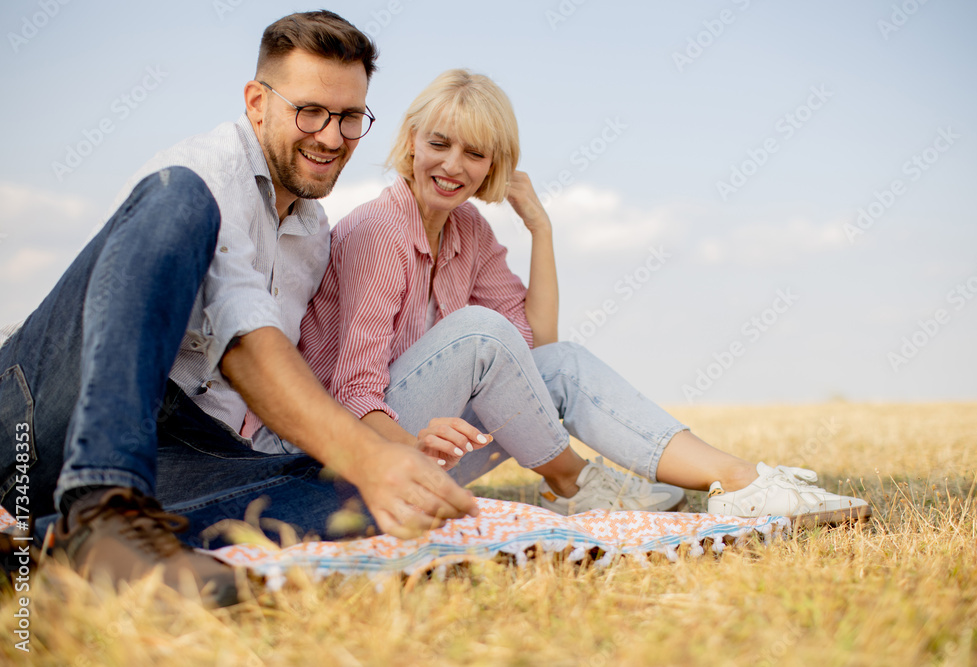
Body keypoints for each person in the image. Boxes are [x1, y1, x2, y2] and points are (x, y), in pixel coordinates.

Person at [246, 69, 870, 526]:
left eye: (474, 153)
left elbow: (535, 353)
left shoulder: (469, 231)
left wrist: (540, 229)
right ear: (411, 141)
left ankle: (739, 481)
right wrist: (408, 451)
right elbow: (355, 392)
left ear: (493, 165)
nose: (453, 165)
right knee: (481, 330)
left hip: (419, 443)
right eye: (439, 143)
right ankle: (574, 482)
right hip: (336, 460)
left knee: (558, 361)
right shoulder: (381, 229)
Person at [0, 12, 478, 607]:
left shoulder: (314, 234)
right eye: (310, 111)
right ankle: (104, 505)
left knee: (353, 496)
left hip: (182, 444)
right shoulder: (203, 172)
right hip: (47, 417)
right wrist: (365, 453)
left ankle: (46, 549)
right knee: (178, 197)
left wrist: (384, 457)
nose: (332, 138)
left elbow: (284, 384)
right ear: (257, 103)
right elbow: (244, 342)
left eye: (349, 117)